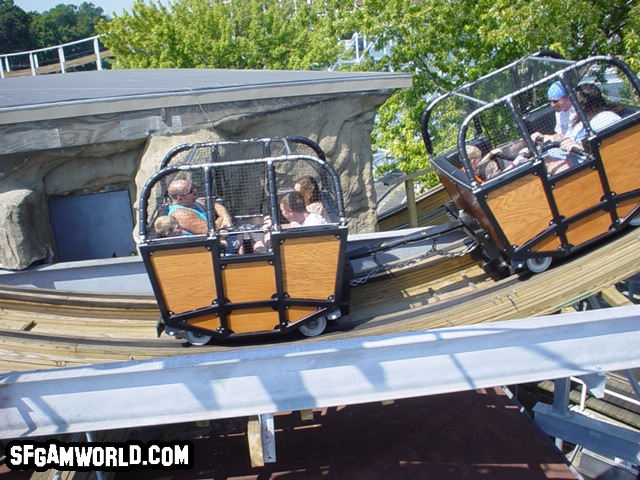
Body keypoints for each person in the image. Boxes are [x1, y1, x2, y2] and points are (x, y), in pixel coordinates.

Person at [560, 82, 623, 154]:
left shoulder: (606, 119)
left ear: (585, 105)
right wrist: (567, 140)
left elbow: (607, 149)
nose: (573, 107)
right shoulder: (579, 120)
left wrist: (578, 148)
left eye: (576, 104)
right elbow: (570, 135)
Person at [167, 178, 232, 235]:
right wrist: (222, 218)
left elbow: (216, 206)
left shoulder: (195, 201)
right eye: (191, 191)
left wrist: (225, 217)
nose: (195, 190)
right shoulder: (181, 214)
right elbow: (208, 230)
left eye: (193, 187)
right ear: (180, 198)